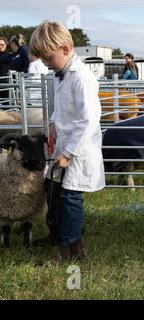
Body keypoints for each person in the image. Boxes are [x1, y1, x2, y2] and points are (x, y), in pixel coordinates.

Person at [29, 20, 105, 262]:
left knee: (71, 198)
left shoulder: (82, 78)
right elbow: (61, 107)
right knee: (57, 193)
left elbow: (89, 119)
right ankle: (59, 236)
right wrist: (52, 121)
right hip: (64, 145)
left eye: (49, 58)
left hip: (79, 150)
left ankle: (71, 250)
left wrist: (70, 152)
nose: (47, 64)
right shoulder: (59, 74)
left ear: (64, 48)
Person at [0, 36, 9, 106]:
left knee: (6, 104)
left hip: (5, 83)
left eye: (2, 45)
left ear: (5, 45)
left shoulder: (9, 56)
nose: (0, 46)